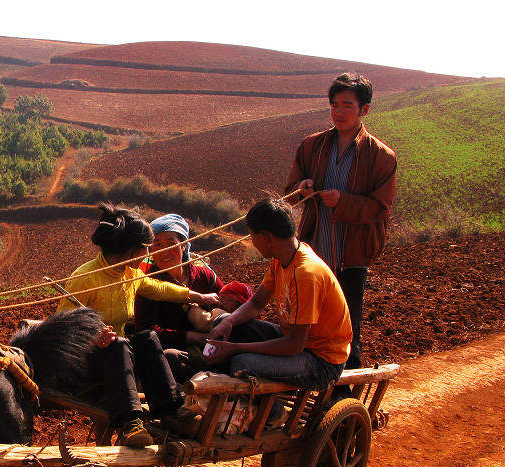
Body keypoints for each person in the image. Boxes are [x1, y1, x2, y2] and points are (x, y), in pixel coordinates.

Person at [57, 204, 219, 446]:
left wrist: (198, 297)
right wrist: (93, 339)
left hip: (117, 357)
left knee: (147, 338)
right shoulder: (85, 278)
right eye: (146, 248)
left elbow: (162, 289)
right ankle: (132, 422)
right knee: (120, 344)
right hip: (87, 361)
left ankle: (170, 412)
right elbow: (63, 328)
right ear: (129, 250)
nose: (148, 254)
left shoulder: (130, 274)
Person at [285, 71, 397, 370]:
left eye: (347, 105)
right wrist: (303, 189)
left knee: (348, 326)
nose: (339, 112)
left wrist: (343, 202)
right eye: (335, 105)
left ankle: (345, 396)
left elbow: (380, 207)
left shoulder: (381, 156)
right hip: (313, 253)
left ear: (365, 109)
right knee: (306, 324)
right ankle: (308, 381)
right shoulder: (312, 146)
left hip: (352, 255)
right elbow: (291, 192)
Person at [206, 199, 352, 390]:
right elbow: (256, 304)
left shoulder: (305, 275)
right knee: (223, 323)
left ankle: (272, 414)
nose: (253, 243)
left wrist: (236, 348)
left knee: (242, 363)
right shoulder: (283, 258)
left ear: (266, 237)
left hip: (321, 360)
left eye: (253, 236)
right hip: (295, 341)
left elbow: (294, 345)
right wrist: (228, 322)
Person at [134, 213, 223, 349]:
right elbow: (145, 330)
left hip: (214, 344)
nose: (165, 251)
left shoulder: (204, 276)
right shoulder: (147, 284)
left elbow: (227, 301)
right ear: (150, 250)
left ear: (183, 246)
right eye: (157, 244)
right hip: (170, 352)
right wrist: (193, 337)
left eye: (171, 243)